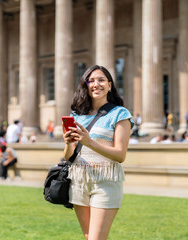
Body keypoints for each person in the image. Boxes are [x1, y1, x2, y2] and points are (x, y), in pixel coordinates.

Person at [62, 65, 134, 240]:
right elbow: (68, 156)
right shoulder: (76, 115)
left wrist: (89, 142)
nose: (96, 84)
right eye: (91, 80)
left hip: (106, 181)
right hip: (79, 180)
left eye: (101, 80)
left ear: (110, 85)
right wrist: (67, 144)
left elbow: (120, 155)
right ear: (86, 85)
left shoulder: (120, 113)